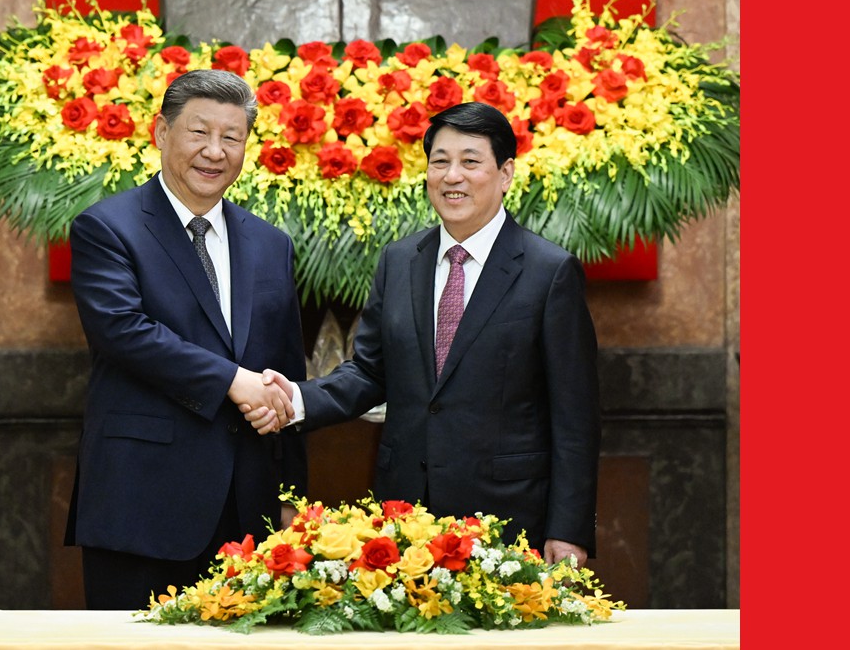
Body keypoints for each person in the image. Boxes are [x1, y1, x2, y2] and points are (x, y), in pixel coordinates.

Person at [246, 102, 601, 567]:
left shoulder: (549, 272)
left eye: (470, 161)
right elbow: (370, 372)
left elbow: (575, 416)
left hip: (508, 515)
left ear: (505, 173)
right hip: (405, 512)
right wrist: (295, 399)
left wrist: (568, 530)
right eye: (440, 162)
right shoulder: (399, 260)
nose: (452, 176)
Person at [64, 69, 307, 610]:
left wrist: (293, 496)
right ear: (161, 132)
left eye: (231, 137)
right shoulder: (107, 227)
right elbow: (123, 331)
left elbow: (287, 374)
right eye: (199, 132)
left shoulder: (270, 244)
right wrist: (233, 380)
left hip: (248, 514)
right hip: (141, 504)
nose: (215, 152)